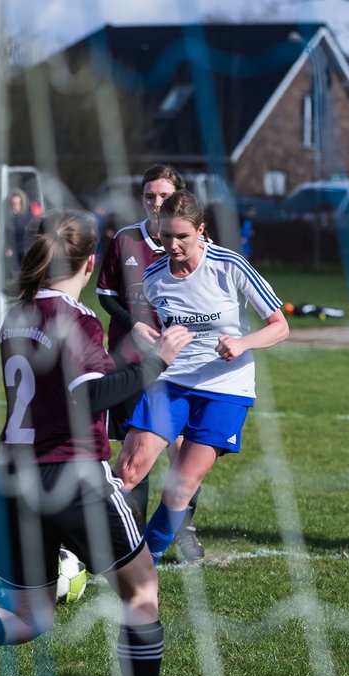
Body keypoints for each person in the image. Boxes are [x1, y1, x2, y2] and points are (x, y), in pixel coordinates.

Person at [0, 210, 197, 676]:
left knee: (31, 613)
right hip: (72, 475)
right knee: (142, 587)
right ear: (90, 263)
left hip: (13, 475)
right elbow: (84, 399)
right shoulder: (77, 319)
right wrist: (157, 363)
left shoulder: (15, 315)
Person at [113, 190, 289, 563]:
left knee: (179, 489)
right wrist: (146, 336)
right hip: (171, 382)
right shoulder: (153, 277)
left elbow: (280, 326)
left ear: (201, 230)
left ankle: (147, 562)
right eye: (165, 236)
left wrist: (243, 343)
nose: (173, 245)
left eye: (182, 237)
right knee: (126, 470)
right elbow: (159, 330)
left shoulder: (230, 266)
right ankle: (83, 551)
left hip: (225, 390)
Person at [96, 163, 205, 563]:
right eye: (149, 196)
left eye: (163, 196)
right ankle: (131, 535)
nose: (155, 203)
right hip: (132, 363)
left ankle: (183, 528)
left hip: (181, 366)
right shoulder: (125, 240)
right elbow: (106, 294)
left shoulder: (190, 242)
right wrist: (134, 325)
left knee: (182, 453)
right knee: (132, 452)